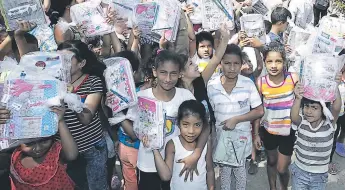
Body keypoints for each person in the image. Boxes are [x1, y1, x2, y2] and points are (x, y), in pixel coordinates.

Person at [125, 50, 209, 190]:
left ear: (180, 74)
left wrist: (196, 154)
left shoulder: (185, 95)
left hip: (177, 165)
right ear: (154, 71)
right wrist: (117, 113)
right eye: (163, 72)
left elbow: (205, 126)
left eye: (173, 73)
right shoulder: (141, 97)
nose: (168, 79)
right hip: (148, 164)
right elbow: (133, 133)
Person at [208, 44, 264, 190]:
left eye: (236, 64)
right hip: (221, 142)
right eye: (227, 63)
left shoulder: (247, 84)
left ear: (241, 64)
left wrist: (237, 119)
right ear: (220, 63)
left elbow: (259, 111)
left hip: (242, 143)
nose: (232, 68)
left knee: (240, 177)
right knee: (224, 177)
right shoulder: (212, 84)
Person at [57, 40, 109, 190]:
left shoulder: (93, 82)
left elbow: (86, 118)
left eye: (67, 59)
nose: (62, 63)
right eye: (58, 59)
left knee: (96, 186)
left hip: (92, 147)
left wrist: (71, 96)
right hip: (64, 149)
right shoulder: (53, 83)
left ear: (81, 63)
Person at [143, 100, 215, 190]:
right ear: (178, 123)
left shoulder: (205, 145)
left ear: (203, 124)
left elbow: (210, 170)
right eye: (186, 125)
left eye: (197, 125)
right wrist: (154, 149)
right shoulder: (173, 145)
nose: (191, 131)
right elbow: (165, 176)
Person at [256, 42, 298, 190]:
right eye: (269, 61)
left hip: (287, 131)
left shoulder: (293, 79)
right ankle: (273, 187)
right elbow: (257, 109)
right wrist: (256, 134)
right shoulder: (261, 83)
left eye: (278, 61)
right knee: (271, 161)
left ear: (284, 61)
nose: (274, 65)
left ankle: (284, 187)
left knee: (282, 168)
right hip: (269, 130)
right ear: (264, 62)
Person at [10, 104, 78, 189]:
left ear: (52, 137)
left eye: (44, 141)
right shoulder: (15, 157)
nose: (38, 148)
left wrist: (60, 121)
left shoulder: (55, 153)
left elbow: (72, 155)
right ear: (18, 141)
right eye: (29, 143)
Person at [290, 82, 341, 190]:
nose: (309, 111)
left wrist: (335, 85)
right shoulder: (302, 121)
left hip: (319, 176)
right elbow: (294, 117)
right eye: (306, 106)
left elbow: (337, 108)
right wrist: (298, 98)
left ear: (324, 109)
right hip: (299, 172)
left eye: (314, 108)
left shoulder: (329, 124)